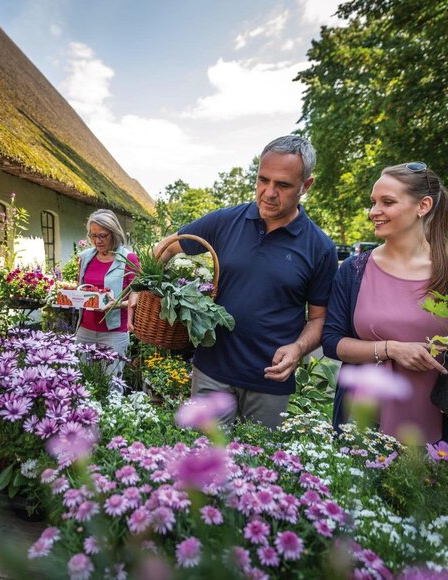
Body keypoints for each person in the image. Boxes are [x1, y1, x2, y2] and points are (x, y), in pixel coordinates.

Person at [154, 135, 338, 428]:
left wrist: (298, 349)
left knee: (262, 457)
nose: (269, 193)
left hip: (270, 379)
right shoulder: (225, 221)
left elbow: (318, 318)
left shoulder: (320, 247)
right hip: (212, 371)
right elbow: (165, 248)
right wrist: (142, 288)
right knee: (202, 452)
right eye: (263, 180)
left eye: (283, 185)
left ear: (306, 186)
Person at [322, 162, 448, 449]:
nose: (373, 211)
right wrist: (390, 349)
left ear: (423, 206)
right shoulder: (353, 270)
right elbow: (331, 342)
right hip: (361, 427)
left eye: (387, 202)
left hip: (438, 435)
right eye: (373, 202)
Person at [75, 209, 140, 382]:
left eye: (102, 235)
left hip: (114, 333)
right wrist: (70, 296)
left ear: (114, 233)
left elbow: (140, 297)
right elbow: (81, 289)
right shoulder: (85, 258)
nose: (97, 241)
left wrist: (117, 304)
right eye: (93, 235)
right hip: (85, 330)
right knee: (80, 381)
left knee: (112, 384)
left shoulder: (129, 259)